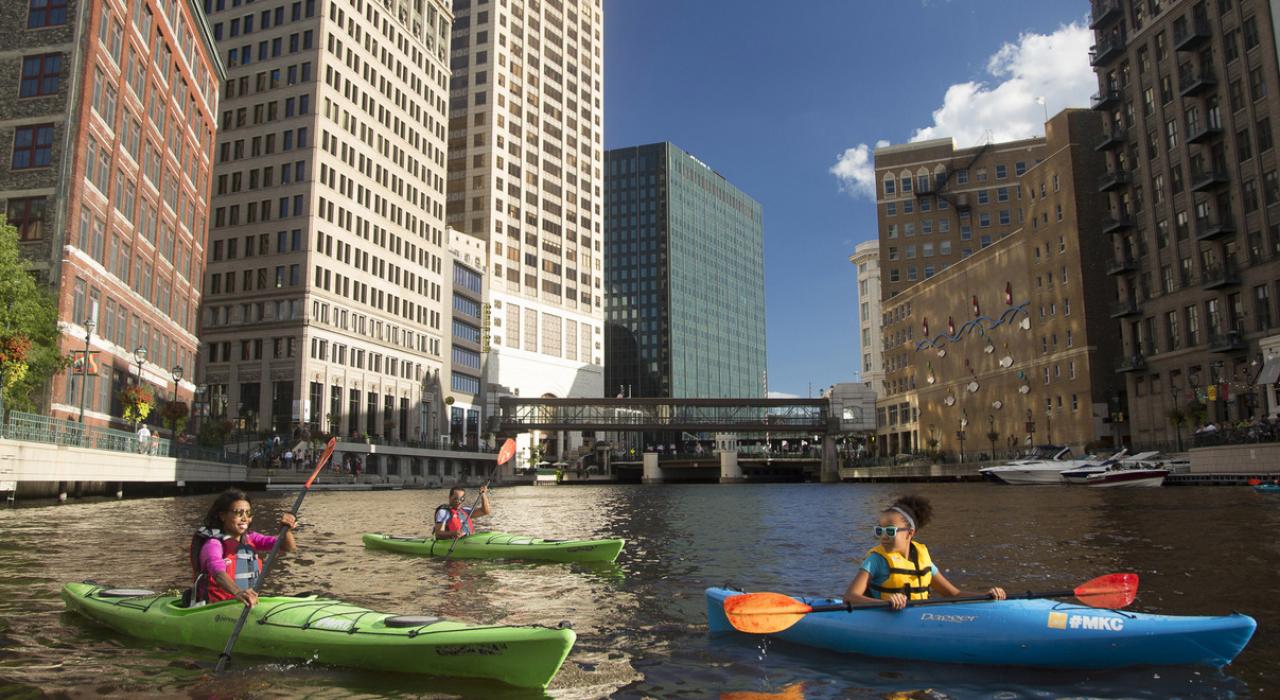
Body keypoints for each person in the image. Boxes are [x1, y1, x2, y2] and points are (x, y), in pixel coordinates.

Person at [843, 495, 1005, 610]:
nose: (883, 537)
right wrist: (886, 603)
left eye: (890, 531)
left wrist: (986, 596)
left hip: (917, 618)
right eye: (879, 531)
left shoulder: (922, 559)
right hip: (882, 617)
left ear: (910, 533)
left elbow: (952, 593)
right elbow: (850, 596)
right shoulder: (876, 560)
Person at [188, 489, 297, 607]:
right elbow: (218, 573)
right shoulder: (213, 544)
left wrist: (285, 531)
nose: (244, 518)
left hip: (245, 603)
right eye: (238, 513)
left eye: (248, 513)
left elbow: (289, 548)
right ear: (222, 515)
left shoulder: (252, 538)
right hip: (215, 608)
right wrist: (238, 592)